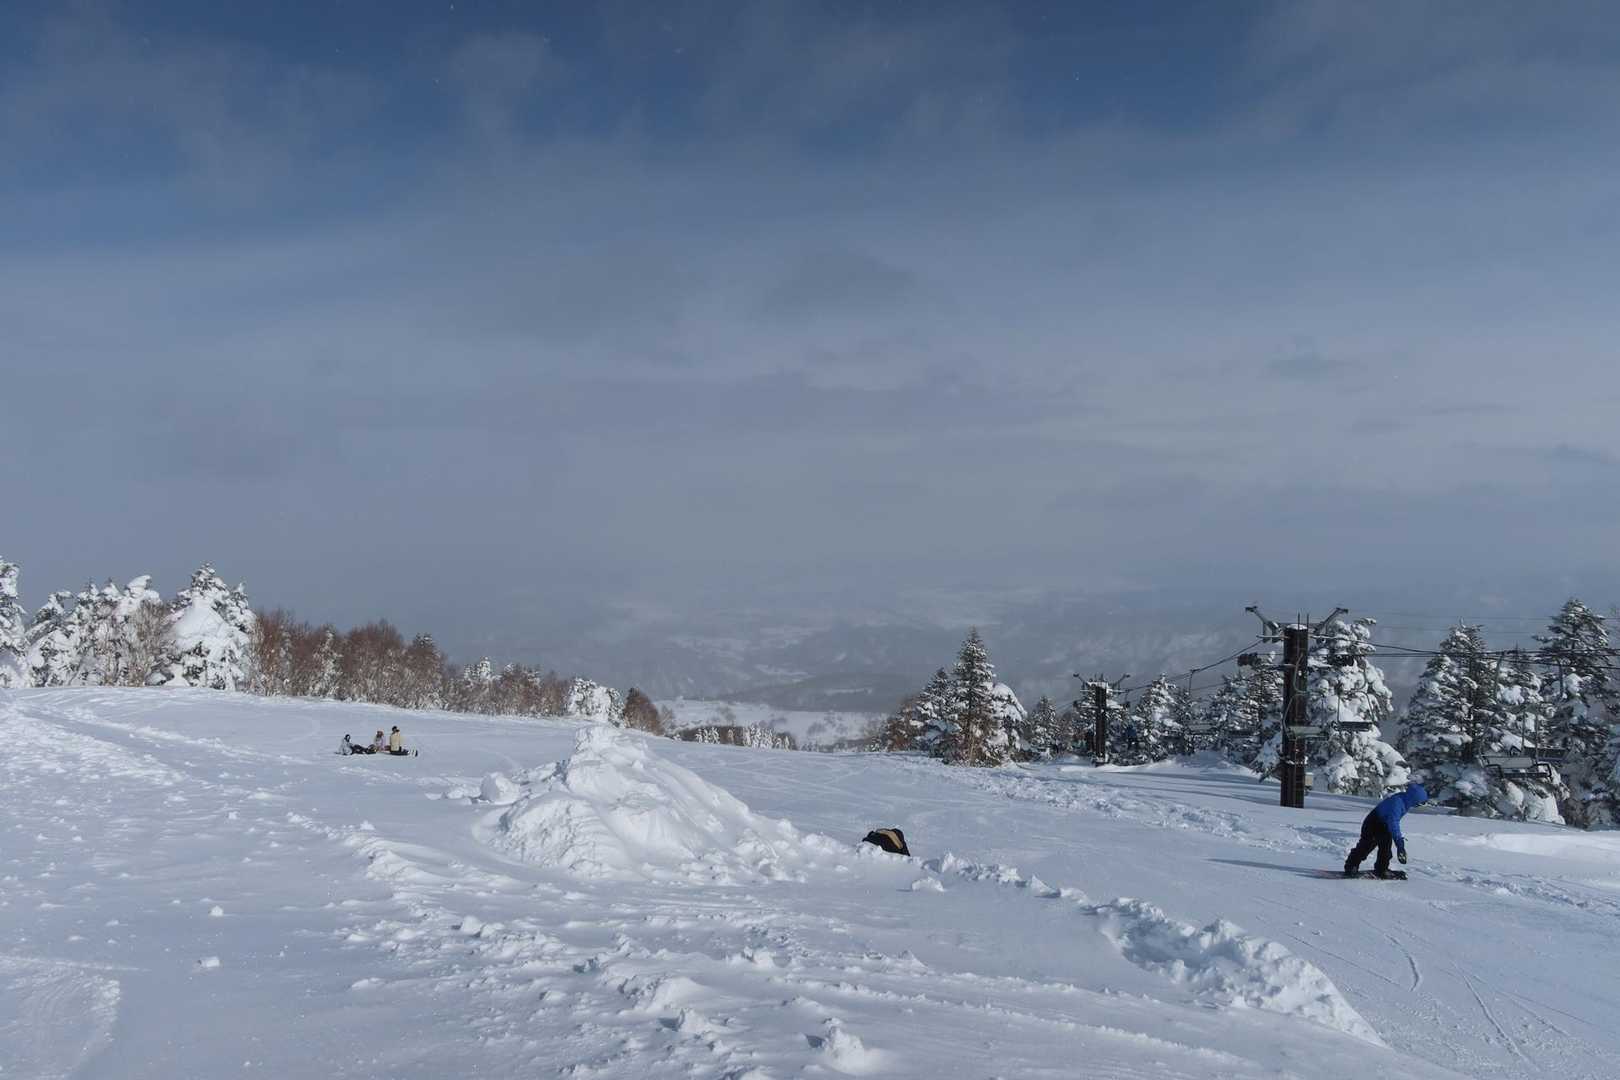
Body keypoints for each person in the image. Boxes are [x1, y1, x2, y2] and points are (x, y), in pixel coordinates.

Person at [1345, 782, 1428, 878]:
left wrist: (1399, 844)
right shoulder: (1397, 803)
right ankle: (1351, 866)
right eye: (1420, 803)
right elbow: (1394, 823)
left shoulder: (1405, 800)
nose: (1419, 806)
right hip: (1373, 823)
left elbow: (1392, 821)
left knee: (1386, 848)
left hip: (1384, 824)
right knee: (1366, 846)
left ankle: (1382, 869)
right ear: (1414, 799)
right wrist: (1399, 843)